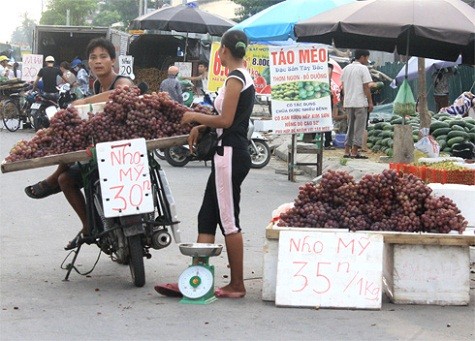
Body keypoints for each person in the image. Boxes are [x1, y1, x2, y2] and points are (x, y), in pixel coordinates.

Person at [155, 30, 255, 299]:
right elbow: (224, 119)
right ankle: (197, 279)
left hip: (230, 153)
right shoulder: (242, 77)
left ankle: (237, 285)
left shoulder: (236, 79)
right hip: (229, 152)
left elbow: (225, 120)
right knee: (207, 216)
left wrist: (193, 115)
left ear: (223, 50)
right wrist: (201, 124)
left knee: (229, 220)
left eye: (219, 51)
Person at [24, 37, 134, 250]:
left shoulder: (121, 80)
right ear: (89, 63)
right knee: (66, 178)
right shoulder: (94, 87)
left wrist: (83, 102)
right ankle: (88, 227)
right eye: (93, 58)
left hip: (125, 154)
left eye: (103, 56)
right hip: (100, 153)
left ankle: (52, 179)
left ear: (113, 61)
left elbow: (124, 92)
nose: (98, 61)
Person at [341, 49, 373, 159]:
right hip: (360, 102)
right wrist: (370, 101)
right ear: (363, 57)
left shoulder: (345, 69)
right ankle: (354, 151)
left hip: (348, 102)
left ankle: (346, 150)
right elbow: (366, 87)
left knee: (350, 126)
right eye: (367, 58)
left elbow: (344, 87)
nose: (367, 60)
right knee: (359, 127)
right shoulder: (363, 68)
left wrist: (345, 101)